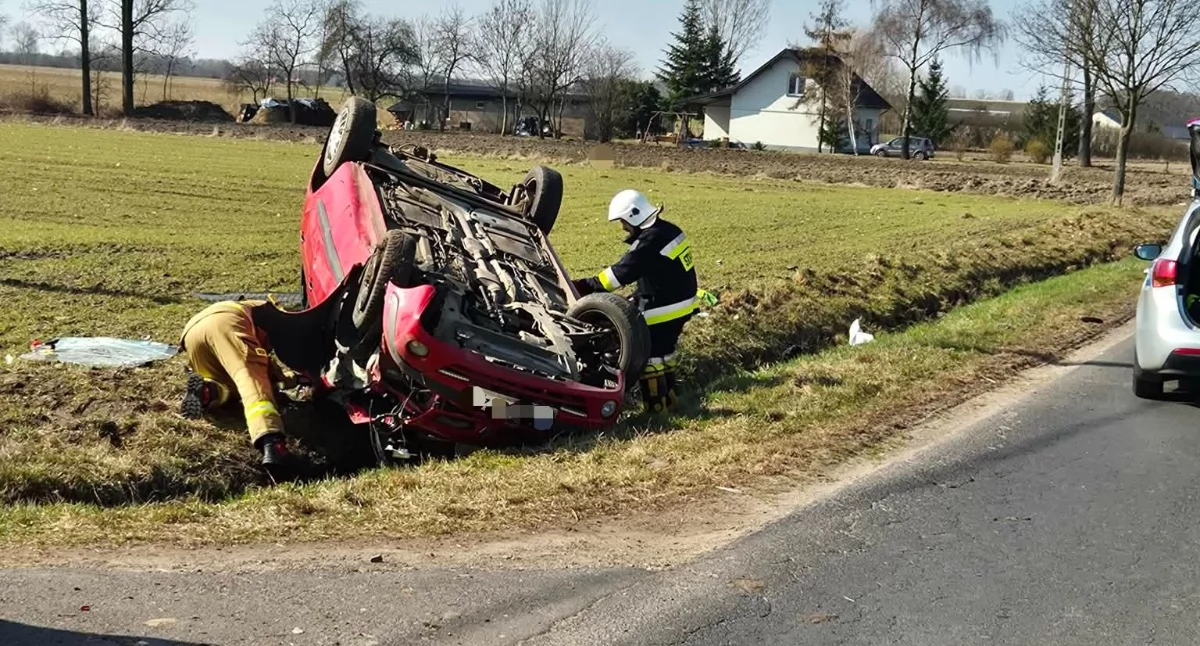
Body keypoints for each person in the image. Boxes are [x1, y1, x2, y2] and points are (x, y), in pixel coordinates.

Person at [573, 189, 711, 414]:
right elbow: (662, 273)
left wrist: (581, 286)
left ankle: (656, 411)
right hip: (684, 303)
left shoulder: (648, 243)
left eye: (623, 222)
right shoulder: (669, 230)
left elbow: (616, 276)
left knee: (651, 357)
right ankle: (672, 403)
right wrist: (637, 296)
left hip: (665, 309)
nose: (623, 228)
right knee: (666, 352)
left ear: (633, 217)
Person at [178, 298, 312, 468]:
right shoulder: (273, 314)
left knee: (229, 386)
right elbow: (260, 369)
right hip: (226, 322)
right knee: (250, 380)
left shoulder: (256, 317)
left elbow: (268, 365)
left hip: (192, 334)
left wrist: (293, 379)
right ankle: (271, 442)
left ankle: (207, 391)